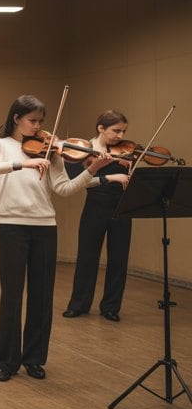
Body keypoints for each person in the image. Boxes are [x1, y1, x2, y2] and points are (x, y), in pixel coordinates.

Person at [0, 94, 110, 382]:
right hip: (11, 226)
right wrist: (19, 165)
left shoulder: (51, 150)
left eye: (40, 122)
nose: (38, 128)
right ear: (16, 118)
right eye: (32, 121)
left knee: (42, 295)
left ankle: (34, 359)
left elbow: (63, 189)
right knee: (12, 295)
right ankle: (5, 361)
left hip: (46, 226)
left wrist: (91, 170)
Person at [63, 110, 134, 321]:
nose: (120, 136)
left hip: (122, 206)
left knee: (119, 259)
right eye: (116, 131)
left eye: (123, 131)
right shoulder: (83, 150)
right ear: (101, 128)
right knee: (87, 256)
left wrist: (130, 168)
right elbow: (80, 183)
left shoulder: (124, 151)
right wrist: (110, 176)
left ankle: (111, 307)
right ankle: (79, 305)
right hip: (95, 205)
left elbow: (130, 180)